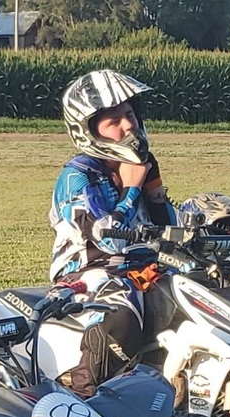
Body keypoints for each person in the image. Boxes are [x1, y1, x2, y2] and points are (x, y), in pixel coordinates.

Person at [49, 69, 177, 398]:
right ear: (89, 130)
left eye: (130, 114)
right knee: (121, 304)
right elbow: (106, 238)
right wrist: (131, 189)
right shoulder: (77, 176)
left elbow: (170, 230)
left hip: (145, 266)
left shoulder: (142, 166)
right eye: (114, 121)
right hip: (89, 271)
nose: (128, 126)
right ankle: (85, 392)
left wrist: (155, 195)